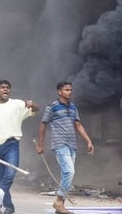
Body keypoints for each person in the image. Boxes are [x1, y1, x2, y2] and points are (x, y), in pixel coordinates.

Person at [0, 79, 39, 214]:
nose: (6, 89)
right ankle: (9, 207)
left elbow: (35, 110)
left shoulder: (17, 104)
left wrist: (32, 104)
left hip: (12, 145)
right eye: (2, 87)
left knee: (10, 173)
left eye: (8, 87)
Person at [36, 81, 94, 214]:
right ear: (59, 91)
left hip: (72, 144)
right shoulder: (52, 107)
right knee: (69, 171)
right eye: (66, 90)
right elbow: (43, 125)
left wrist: (88, 141)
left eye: (71, 90)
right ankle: (58, 200)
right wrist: (40, 144)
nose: (69, 92)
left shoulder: (73, 107)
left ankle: (60, 206)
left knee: (66, 174)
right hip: (59, 144)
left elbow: (78, 125)